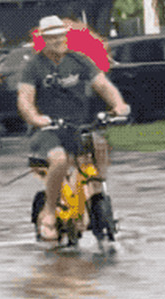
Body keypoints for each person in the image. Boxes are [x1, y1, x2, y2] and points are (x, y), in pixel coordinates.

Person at [17, 14, 130, 242]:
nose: (59, 40)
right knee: (59, 160)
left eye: (61, 35)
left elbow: (103, 85)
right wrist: (37, 118)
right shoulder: (33, 67)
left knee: (98, 151)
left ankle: (90, 201)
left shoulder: (79, 61)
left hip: (77, 128)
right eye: (53, 37)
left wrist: (118, 105)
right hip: (47, 131)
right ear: (44, 40)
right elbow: (25, 100)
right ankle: (49, 211)